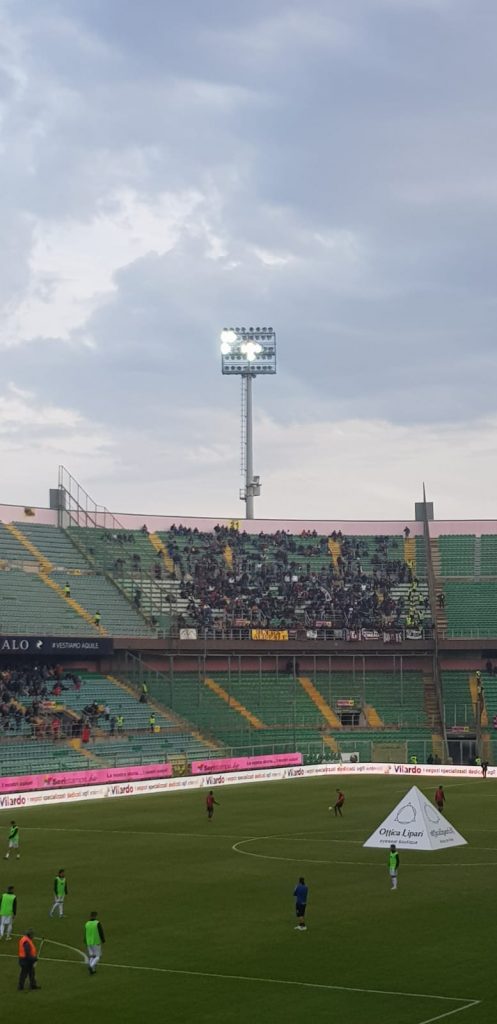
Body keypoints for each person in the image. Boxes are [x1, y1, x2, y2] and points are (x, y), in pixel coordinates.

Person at [85, 911, 105, 975]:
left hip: (88, 942)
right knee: (97, 957)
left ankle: (93, 970)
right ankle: (90, 966)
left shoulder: (87, 923)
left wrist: (85, 940)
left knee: (92, 956)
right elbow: (100, 932)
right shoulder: (97, 923)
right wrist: (103, 940)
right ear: (95, 916)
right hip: (96, 941)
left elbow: (85, 933)